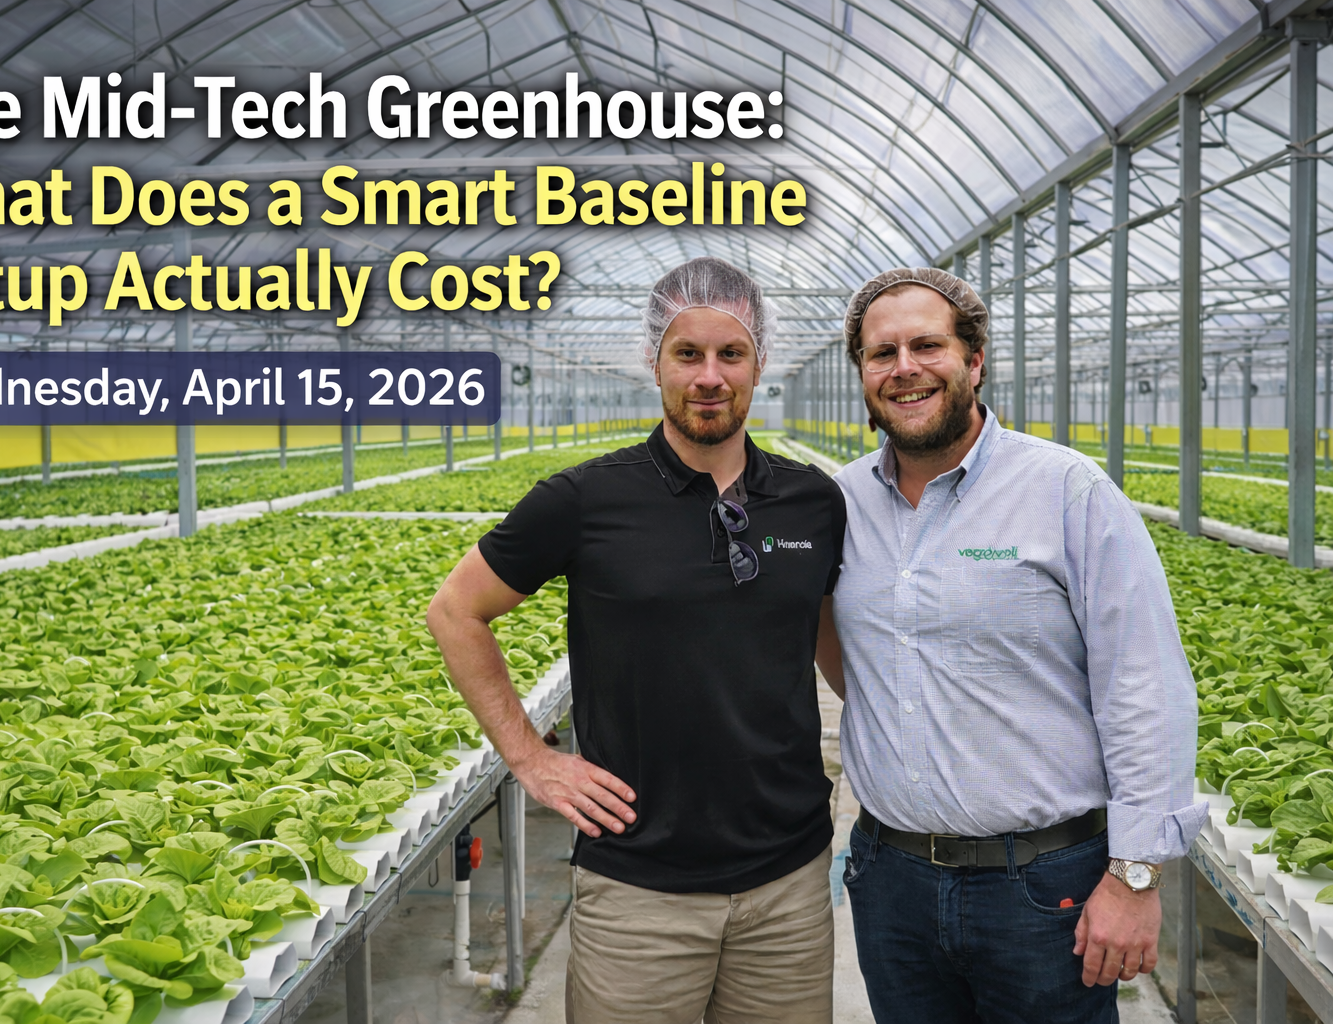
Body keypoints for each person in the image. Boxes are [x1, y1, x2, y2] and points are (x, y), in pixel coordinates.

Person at [427, 256, 846, 1024]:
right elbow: (455, 611)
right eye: (688, 353)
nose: (710, 376)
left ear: (761, 364)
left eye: (732, 353)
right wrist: (530, 758)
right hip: (638, 891)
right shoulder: (586, 499)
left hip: (787, 886)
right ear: (654, 361)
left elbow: (831, 641)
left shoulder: (813, 501)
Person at [815, 267, 1206, 1023]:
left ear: (975, 361)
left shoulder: (1066, 491)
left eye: (927, 345)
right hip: (890, 879)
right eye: (880, 352)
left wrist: (1135, 877)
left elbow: (1145, 686)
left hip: (1042, 888)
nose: (904, 369)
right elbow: (846, 659)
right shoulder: (842, 501)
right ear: (862, 372)